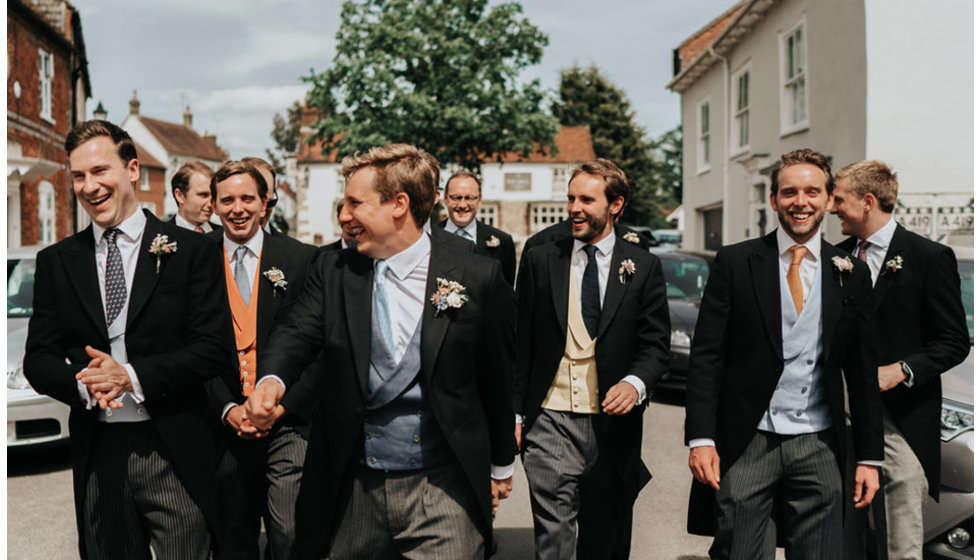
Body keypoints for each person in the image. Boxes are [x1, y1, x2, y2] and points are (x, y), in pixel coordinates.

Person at [244, 143, 517, 559]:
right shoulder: (334, 269)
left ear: (399, 205)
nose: (346, 216)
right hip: (351, 486)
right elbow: (297, 331)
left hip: (443, 488)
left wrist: (500, 465)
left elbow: (496, 377)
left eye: (355, 203)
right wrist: (271, 380)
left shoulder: (477, 276)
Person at [24, 120, 232, 559]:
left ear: (133, 170)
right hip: (100, 454)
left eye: (101, 171)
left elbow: (213, 348)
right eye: (78, 175)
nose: (89, 186)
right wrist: (85, 384)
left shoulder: (191, 251)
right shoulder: (57, 262)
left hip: (172, 446)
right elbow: (38, 358)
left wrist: (131, 376)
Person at [685, 148, 883, 559]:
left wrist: (869, 457)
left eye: (812, 192)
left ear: (829, 200)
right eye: (789, 192)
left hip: (819, 442)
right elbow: (707, 357)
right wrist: (701, 437)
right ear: (774, 199)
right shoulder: (736, 262)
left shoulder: (851, 271)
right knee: (738, 551)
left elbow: (862, 372)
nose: (801, 202)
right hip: (749, 439)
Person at [515, 158, 670, 559]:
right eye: (570, 198)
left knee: (606, 538)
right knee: (554, 538)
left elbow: (655, 345)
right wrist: (516, 416)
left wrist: (634, 384)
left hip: (611, 426)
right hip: (549, 419)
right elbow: (521, 343)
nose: (574, 209)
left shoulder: (644, 266)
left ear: (615, 205)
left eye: (586, 199)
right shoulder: (540, 259)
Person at [829, 160, 970, 560]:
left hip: (901, 421)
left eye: (839, 199)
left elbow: (953, 341)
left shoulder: (929, 257)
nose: (831, 207)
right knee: (841, 538)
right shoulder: (833, 260)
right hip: (838, 417)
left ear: (868, 201)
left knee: (900, 541)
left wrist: (903, 370)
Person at [206, 160, 320, 560]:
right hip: (223, 424)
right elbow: (189, 347)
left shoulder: (302, 259)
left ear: (264, 201)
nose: (238, 209)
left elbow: (318, 348)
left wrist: (283, 406)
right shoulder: (196, 259)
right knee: (232, 536)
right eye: (228, 200)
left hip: (287, 422)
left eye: (247, 199)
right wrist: (226, 408)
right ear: (214, 206)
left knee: (289, 531)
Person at [440, 170, 517, 284]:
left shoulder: (503, 243)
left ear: (479, 200)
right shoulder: (428, 236)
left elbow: (506, 295)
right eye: (456, 197)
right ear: (445, 199)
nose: (462, 205)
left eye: (469, 198)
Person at [170, 160, 220, 233]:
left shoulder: (224, 235)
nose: (211, 204)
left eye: (214, 196)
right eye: (203, 195)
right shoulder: (158, 234)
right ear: (180, 195)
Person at [242, 156, 284, 236]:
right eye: (249, 200)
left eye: (269, 203)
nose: (261, 212)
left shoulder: (294, 248)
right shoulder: (212, 244)